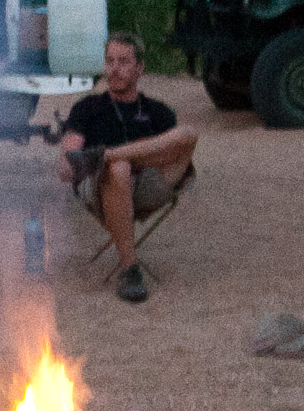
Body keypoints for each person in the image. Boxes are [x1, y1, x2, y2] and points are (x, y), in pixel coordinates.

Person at [45, 36, 194, 304]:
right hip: (104, 188)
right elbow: (68, 165)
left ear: (140, 68)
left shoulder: (158, 112)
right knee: (120, 169)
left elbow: (173, 150)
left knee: (189, 133)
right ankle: (129, 269)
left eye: (123, 62)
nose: (114, 69)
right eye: (110, 61)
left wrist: (111, 155)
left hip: (149, 183)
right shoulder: (88, 108)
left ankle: (108, 155)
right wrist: (77, 163)